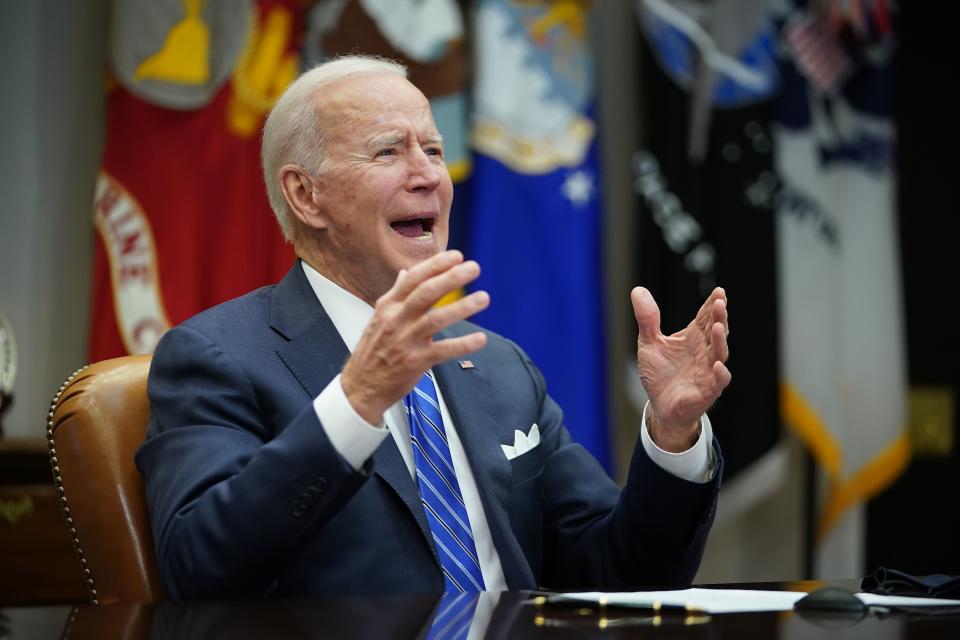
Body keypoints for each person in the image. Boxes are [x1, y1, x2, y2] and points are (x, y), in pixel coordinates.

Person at [136, 55, 731, 601]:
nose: (429, 178)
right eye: (388, 152)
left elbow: (620, 574)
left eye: (436, 151)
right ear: (305, 195)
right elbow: (198, 566)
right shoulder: (217, 357)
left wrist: (673, 435)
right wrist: (357, 400)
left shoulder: (499, 367)